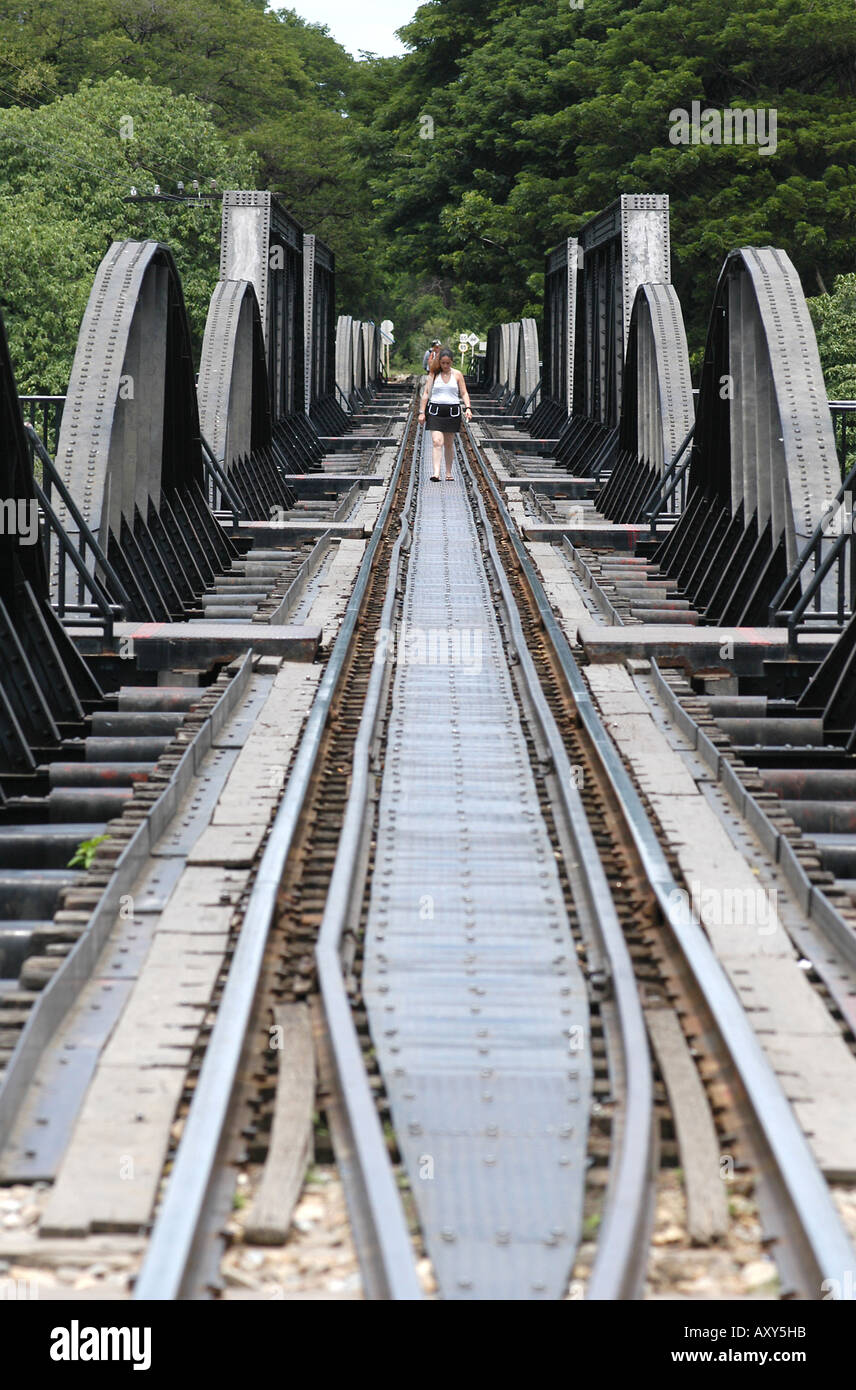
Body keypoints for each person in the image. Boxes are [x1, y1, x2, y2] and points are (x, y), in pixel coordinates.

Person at [419, 346, 473, 481]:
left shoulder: (457, 375)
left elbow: (464, 392)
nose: (445, 366)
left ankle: (448, 473)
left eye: (448, 363)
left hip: (452, 412)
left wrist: (468, 408)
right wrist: (421, 412)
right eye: (443, 363)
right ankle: (436, 473)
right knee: (437, 442)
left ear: (452, 362)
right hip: (435, 411)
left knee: (449, 444)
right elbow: (426, 393)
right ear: (439, 362)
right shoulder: (434, 374)